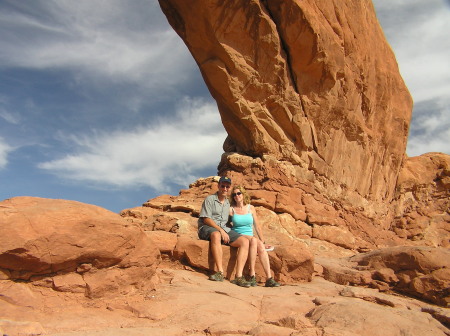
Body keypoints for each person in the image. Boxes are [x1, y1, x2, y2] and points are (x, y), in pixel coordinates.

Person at [198, 176, 251, 287]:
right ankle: (220, 272)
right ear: (218, 186)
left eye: (227, 186)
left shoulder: (228, 203)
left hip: (224, 228)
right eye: (223, 186)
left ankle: (238, 277)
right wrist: (221, 230)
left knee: (244, 242)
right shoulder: (210, 199)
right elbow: (206, 219)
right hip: (206, 227)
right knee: (216, 234)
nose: (225, 188)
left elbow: (234, 220)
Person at [229, 185, 280, 287]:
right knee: (253, 240)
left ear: (243, 194)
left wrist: (263, 241)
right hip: (238, 235)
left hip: (251, 238)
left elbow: (257, 226)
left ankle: (268, 278)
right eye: (234, 194)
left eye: (238, 193)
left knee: (259, 245)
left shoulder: (250, 208)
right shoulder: (231, 209)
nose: (236, 196)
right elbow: (227, 225)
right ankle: (252, 275)